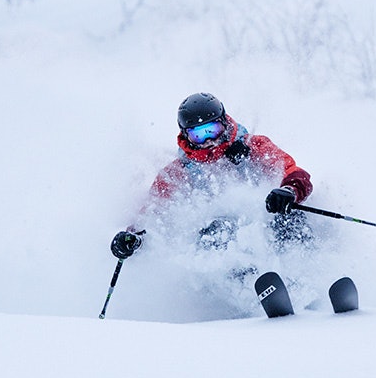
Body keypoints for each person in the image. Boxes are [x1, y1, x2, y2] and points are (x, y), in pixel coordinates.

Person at [110, 92, 313, 261]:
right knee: (216, 232)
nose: (208, 141)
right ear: (186, 136)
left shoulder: (253, 146)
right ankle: (246, 285)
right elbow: (153, 214)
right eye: (198, 135)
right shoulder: (177, 173)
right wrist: (132, 238)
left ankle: (308, 269)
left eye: (212, 130)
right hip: (225, 243)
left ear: (224, 123)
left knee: (289, 215)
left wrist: (289, 190)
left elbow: (292, 171)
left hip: (264, 224)